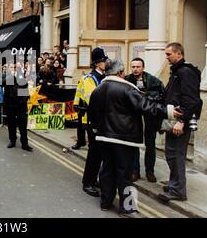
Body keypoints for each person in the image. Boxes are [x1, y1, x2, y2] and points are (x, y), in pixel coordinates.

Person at [88, 59, 181, 217]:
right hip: (124, 138)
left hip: (104, 137)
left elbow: (92, 113)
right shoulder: (127, 88)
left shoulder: (98, 89)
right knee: (124, 173)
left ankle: (105, 202)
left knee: (107, 170)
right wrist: (169, 111)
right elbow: (146, 106)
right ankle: (127, 207)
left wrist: (98, 130)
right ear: (120, 72)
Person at [157, 43, 202, 203]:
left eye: (169, 54)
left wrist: (182, 121)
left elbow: (191, 100)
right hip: (173, 119)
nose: (167, 57)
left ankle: (178, 191)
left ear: (179, 54)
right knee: (171, 154)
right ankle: (174, 184)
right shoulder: (178, 71)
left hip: (179, 121)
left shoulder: (185, 72)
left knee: (176, 155)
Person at [73, 47, 108, 197]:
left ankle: (93, 179)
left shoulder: (103, 77)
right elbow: (93, 99)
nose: (106, 63)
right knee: (94, 153)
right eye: (104, 61)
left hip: (102, 120)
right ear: (98, 63)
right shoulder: (90, 79)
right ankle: (87, 183)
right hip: (92, 121)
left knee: (100, 153)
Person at [125, 58, 165, 183]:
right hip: (134, 117)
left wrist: (146, 95)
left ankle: (150, 171)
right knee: (134, 144)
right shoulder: (127, 80)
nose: (135, 69)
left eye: (138, 66)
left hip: (150, 117)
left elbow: (162, 95)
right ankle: (135, 171)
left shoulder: (153, 80)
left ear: (143, 67)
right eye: (133, 67)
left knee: (150, 145)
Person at [3, 63, 33, 152]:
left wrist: (22, 100)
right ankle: (12, 141)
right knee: (11, 123)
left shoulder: (21, 77)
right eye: (11, 67)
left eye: (15, 67)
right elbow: (2, 83)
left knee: (22, 124)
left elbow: (25, 88)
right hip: (10, 104)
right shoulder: (6, 77)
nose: (13, 69)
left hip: (20, 105)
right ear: (8, 68)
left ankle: (25, 143)